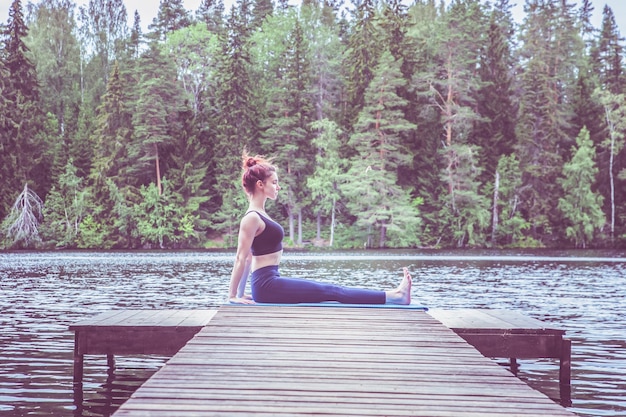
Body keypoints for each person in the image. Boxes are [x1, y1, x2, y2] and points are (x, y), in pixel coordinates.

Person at [228, 151, 412, 305]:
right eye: (274, 182)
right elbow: (241, 258)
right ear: (260, 184)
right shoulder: (251, 217)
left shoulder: (260, 214)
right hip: (267, 285)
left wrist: (242, 293)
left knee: (329, 290)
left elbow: (249, 258)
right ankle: (395, 296)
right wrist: (233, 296)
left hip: (268, 283)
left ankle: (395, 296)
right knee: (331, 291)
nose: (279, 186)